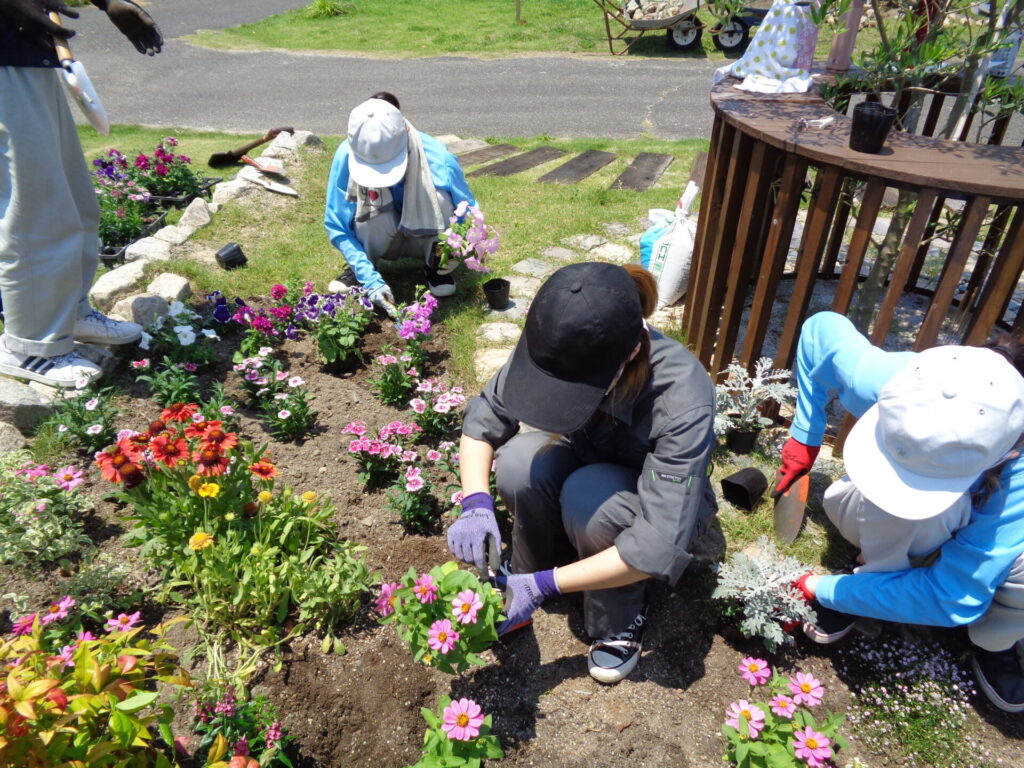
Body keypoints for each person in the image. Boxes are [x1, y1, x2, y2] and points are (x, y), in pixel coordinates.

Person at [450, 262, 717, 683]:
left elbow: (657, 542)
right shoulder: (562, 341)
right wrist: (476, 503)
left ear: (630, 354)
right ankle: (530, 572)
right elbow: (484, 418)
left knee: (590, 499)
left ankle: (616, 620)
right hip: (589, 453)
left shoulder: (682, 397)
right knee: (519, 464)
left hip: (654, 502)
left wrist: (548, 586)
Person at [773, 310, 1024, 713]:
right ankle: (875, 583)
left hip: (992, 542)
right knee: (905, 511)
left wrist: (820, 587)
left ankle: (996, 639)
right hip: (906, 521)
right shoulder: (905, 381)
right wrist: (805, 434)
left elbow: (954, 596)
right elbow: (820, 329)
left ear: (1008, 451)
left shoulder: (1019, 473)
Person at [0, 0, 161, 388]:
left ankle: (68, 312)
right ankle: (30, 345)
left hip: (24, 51)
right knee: (35, 210)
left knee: (74, 199)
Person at [323, 92, 476, 307]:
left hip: (426, 239)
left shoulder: (439, 157)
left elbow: (468, 212)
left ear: (404, 132)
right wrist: (369, 280)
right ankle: (365, 267)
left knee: (440, 198)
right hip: (381, 238)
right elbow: (337, 225)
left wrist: (451, 251)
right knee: (367, 210)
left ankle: (434, 268)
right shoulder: (344, 156)